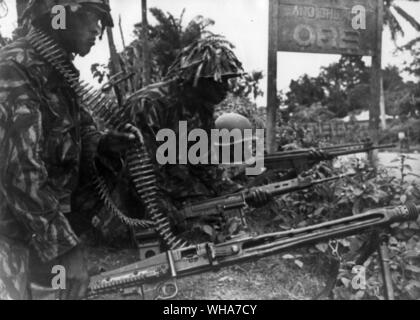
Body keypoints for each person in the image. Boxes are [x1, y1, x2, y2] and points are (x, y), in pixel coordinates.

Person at [0, 0, 135, 300]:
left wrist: (105, 144)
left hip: (35, 233)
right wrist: (65, 248)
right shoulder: (13, 68)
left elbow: (79, 132)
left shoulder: (57, 72)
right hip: (9, 238)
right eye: (90, 16)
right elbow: (21, 171)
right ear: (58, 16)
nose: (97, 29)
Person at [93, 36, 271, 243]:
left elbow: (205, 166)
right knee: (192, 230)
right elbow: (141, 176)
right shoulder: (150, 104)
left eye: (228, 79)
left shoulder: (201, 108)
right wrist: (182, 216)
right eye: (218, 80)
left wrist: (241, 194)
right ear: (196, 79)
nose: (226, 87)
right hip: (138, 196)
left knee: (219, 218)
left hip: (176, 189)